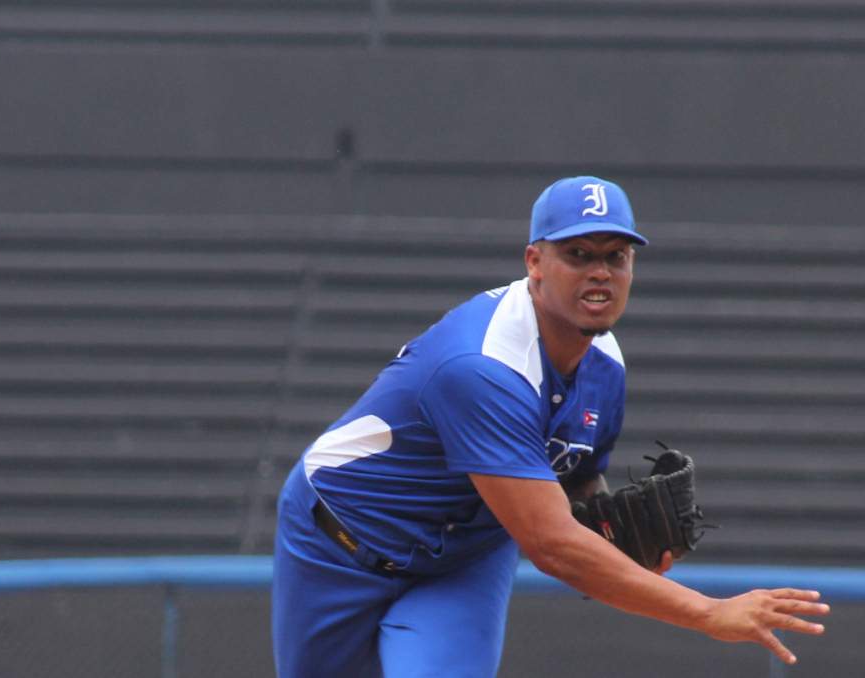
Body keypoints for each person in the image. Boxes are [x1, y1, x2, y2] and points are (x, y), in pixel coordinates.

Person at [271, 176, 829, 678]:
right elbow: (552, 545)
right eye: (578, 253)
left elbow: (580, 478)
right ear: (534, 261)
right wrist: (708, 612)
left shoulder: (605, 363)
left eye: (617, 255)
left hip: (461, 561)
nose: (600, 271)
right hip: (336, 544)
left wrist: (618, 542)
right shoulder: (482, 366)